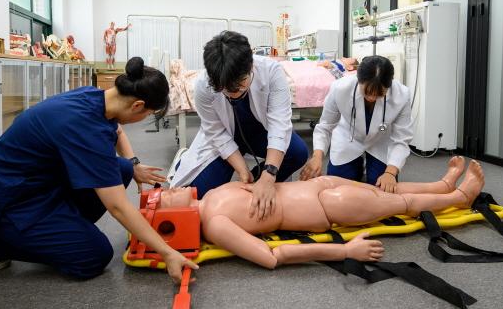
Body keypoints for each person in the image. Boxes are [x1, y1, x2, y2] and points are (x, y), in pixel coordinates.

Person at [0, 57, 198, 281]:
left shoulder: (96, 96)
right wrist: (167, 253)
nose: (144, 117)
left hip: (39, 183)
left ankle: (61, 230)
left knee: (124, 169)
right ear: (137, 105)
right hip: (9, 202)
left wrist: (134, 164)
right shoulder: (86, 130)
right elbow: (117, 206)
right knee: (94, 255)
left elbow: (116, 131)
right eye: (147, 114)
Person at [161, 157, 483, 269]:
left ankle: (441, 185)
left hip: (321, 184)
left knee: (380, 189)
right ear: (173, 220)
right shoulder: (216, 224)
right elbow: (274, 256)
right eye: (162, 200)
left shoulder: (212, 194)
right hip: (325, 207)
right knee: (401, 206)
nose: (165, 191)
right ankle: (460, 197)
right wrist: (344, 250)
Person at [171, 31, 309, 220]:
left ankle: (256, 183)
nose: (233, 93)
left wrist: (268, 175)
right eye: (226, 89)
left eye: (239, 85)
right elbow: (216, 132)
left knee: (298, 152)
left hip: (261, 132)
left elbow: (279, 125)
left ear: (251, 64)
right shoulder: (203, 85)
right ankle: (186, 164)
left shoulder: (272, 72)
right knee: (198, 194)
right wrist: (242, 170)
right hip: (225, 137)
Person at [301, 55, 413, 193]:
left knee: (383, 190)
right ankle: (357, 167)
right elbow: (325, 126)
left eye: (379, 94)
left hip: (380, 141)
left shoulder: (402, 95)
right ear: (358, 80)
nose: (372, 98)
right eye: (367, 92)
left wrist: (390, 173)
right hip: (348, 137)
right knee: (337, 188)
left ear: (389, 86)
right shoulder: (339, 88)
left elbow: (401, 139)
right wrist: (317, 157)